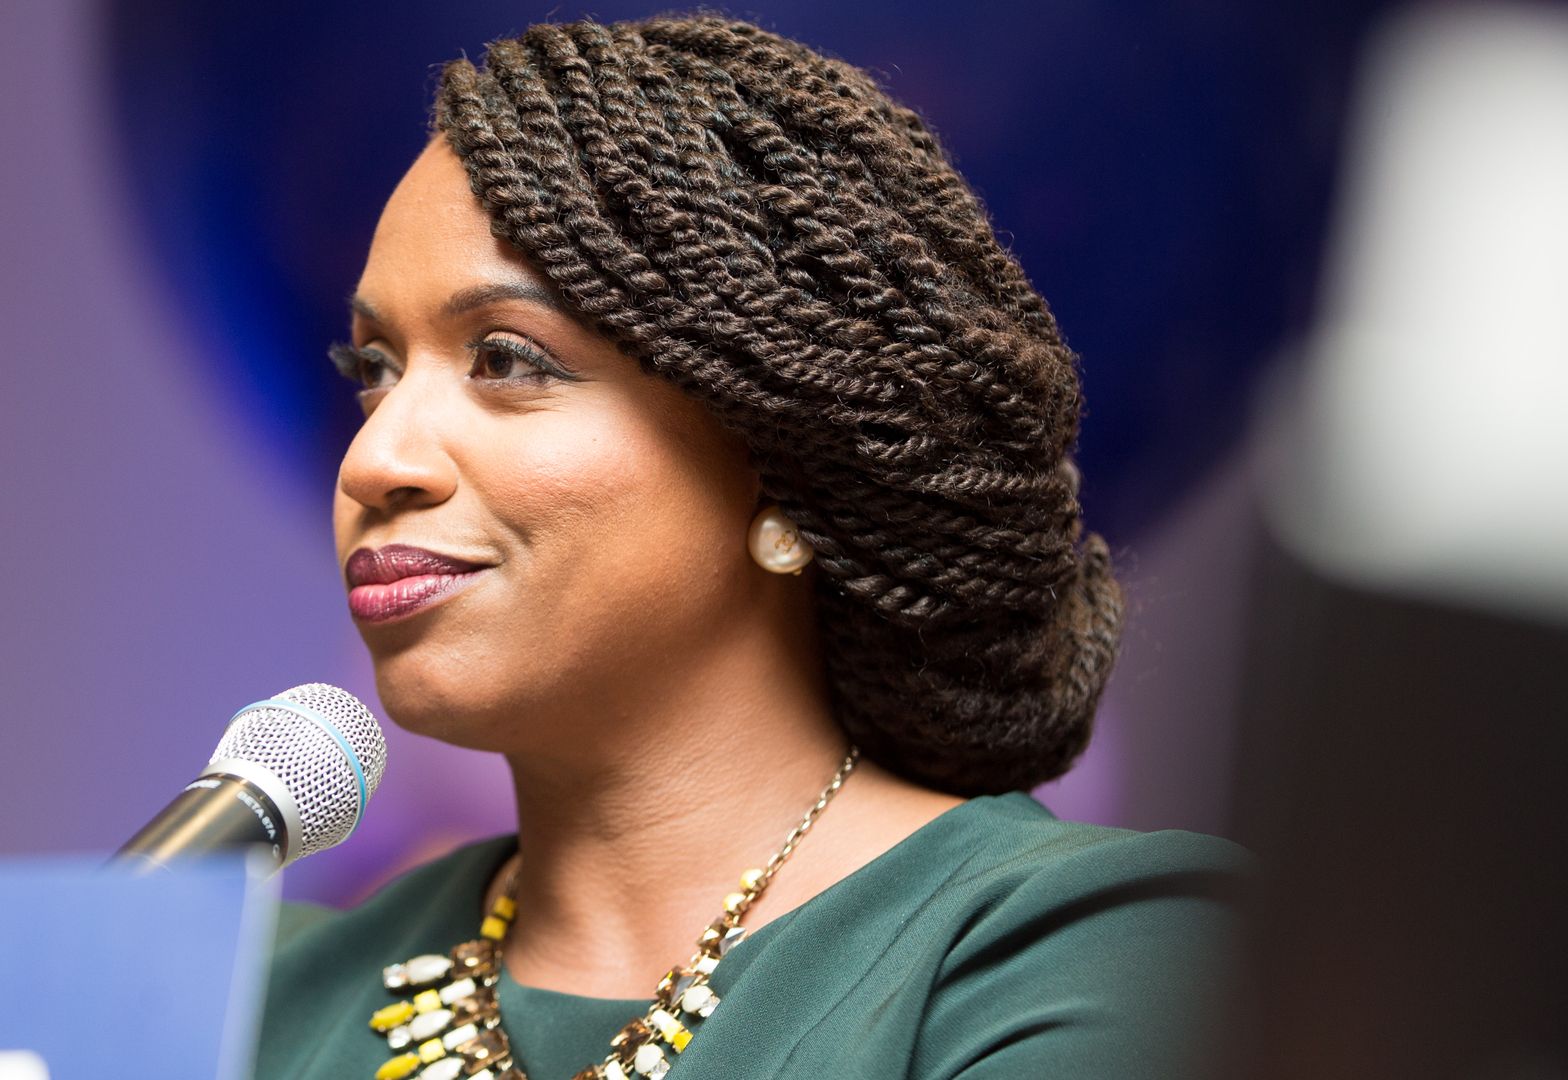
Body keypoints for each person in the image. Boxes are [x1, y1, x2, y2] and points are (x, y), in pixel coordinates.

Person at [253, 13, 1250, 1080]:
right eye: (374, 370)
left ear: (785, 472)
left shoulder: (1080, 957)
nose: (373, 459)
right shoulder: (253, 995)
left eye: (506, 358)